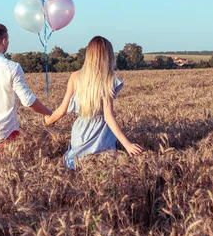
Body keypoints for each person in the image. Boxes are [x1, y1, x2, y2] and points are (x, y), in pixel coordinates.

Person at [44, 36, 143, 168]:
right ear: (108, 56)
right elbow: (108, 117)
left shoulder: (75, 77)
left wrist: (48, 120)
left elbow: (62, 110)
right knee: (103, 169)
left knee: (77, 167)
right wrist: (127, 145)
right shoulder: (109, 79)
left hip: (80, 133)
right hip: (101, 135)